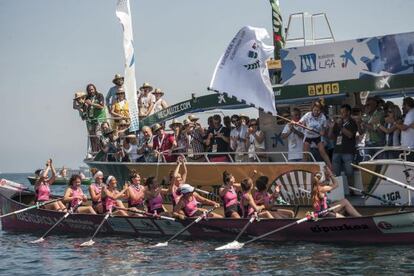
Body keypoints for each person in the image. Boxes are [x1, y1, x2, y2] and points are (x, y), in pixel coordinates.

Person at [328, 104, 358, 193]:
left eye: (343, 112)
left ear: (348, 112)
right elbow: (330, 137)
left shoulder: (352, 122)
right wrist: (331, 128)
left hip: (348, 151)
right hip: (337, 150)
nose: (341, 114)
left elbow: (350, 135)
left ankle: (352, 191)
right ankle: (337, 193)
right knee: (335, 174)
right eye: (340, 112)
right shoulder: (338, 123)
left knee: (349, 172)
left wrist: (340, 126)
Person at [299, 101, 332, 168]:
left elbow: (325, 128)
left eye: (318, 110)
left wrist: (323, 132)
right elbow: (300, 122)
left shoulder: (323, 117)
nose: (316, 112)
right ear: (312, 109)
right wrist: (297, 123)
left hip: (317, 136)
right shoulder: (308, 115)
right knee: (305, 154)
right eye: (315, 110)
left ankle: (331, 168)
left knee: (323, 152)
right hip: (308, 136)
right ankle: (304, 169)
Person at [85, 83, 107, 153]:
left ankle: (105, 148)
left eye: (92, 89)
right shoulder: (87, 98)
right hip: (92, 120)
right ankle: (95, 152)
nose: (91, 91)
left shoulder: (99, 95)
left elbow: (101, 106)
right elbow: (79, 107)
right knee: (92, 136)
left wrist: (91, 104)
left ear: (95, 89)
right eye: (89, 90)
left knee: (98, 134)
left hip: (100, 119)